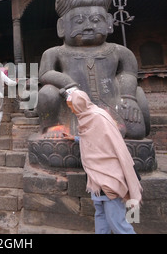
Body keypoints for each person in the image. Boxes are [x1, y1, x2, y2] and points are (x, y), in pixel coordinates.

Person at [37, 0, 150, 140]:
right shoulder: (54, 53)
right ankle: (53, 125)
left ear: (109, 22)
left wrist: (128, 97)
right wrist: (69, 84)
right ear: (62, 27)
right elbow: (45, 74)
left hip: (112, 101)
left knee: (135, 132)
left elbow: (128, 73)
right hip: (72, 104)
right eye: (79, 21)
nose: (89, 26)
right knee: (47, 93)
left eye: (96, 19)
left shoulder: (119, 51)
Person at [64, 88, 143, 234]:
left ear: (79, 104)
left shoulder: (98, 116)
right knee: (101, 215)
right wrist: (75, 138)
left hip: (109, 174)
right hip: (95, 176)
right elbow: (95, 139)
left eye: (72, 107)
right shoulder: (85, 116)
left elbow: (112, 143)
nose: (72, 111)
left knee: (116, 222)